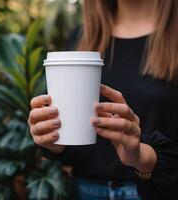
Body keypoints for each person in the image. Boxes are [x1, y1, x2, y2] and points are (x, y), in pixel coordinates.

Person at [28, 0, 178, 199]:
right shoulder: (82, 37)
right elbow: (73, 144)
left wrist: (144, 158)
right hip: (82, 191)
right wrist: (53, 142)